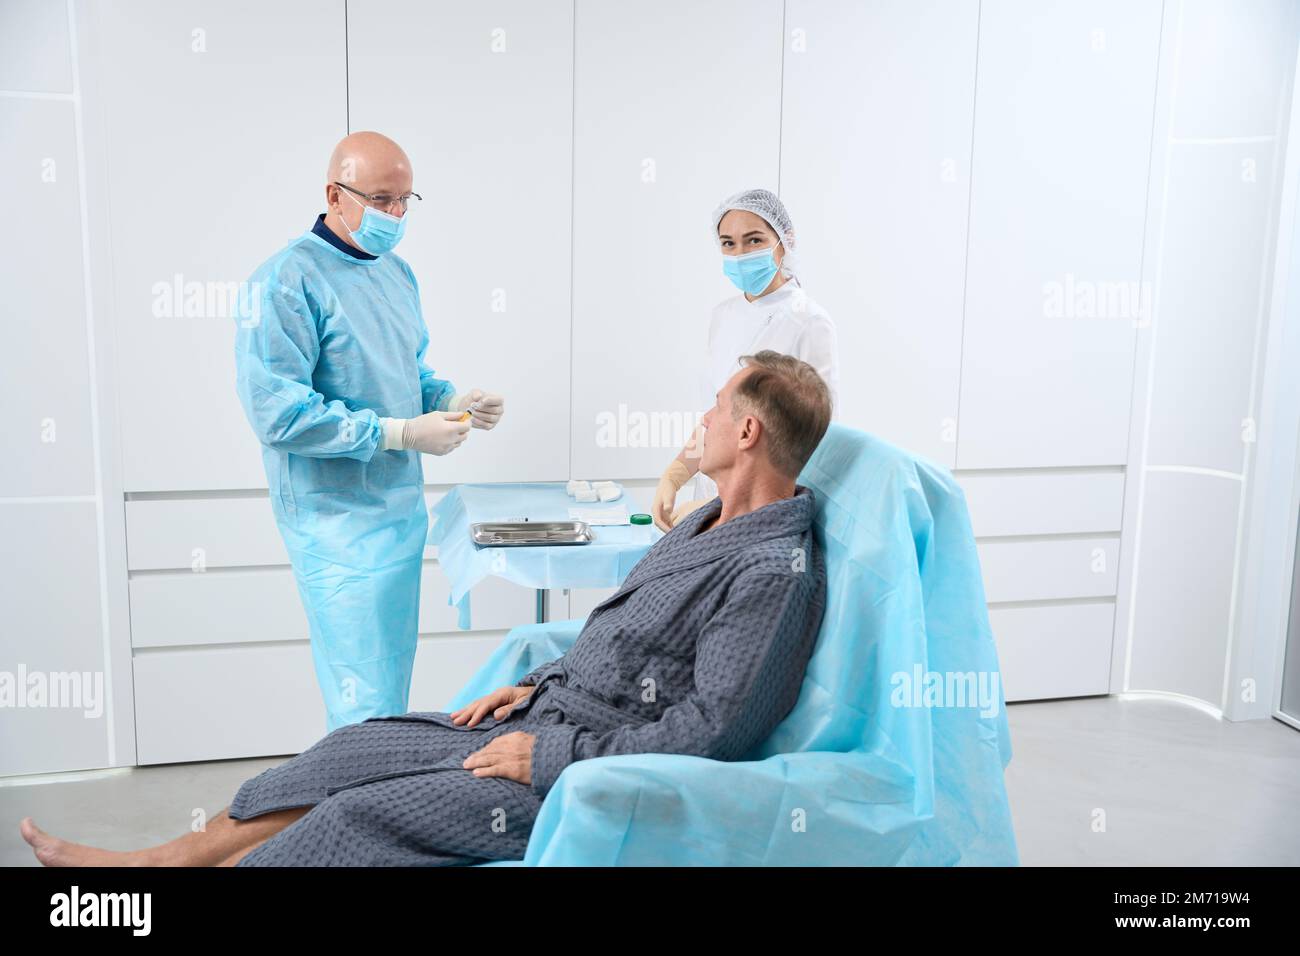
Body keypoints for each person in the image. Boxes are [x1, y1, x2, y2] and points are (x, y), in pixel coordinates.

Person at [21, 351, 832, 867]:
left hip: (581, 771)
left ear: (749, 431)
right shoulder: (704, 521)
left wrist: (550, 756)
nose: (700, 421)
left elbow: (716, 733)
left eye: (714, 408)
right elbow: (622, 642)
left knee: (357, 818)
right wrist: (534, 687)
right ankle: (164, 865)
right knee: (345, 754)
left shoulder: (772, 570)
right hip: (543, 716)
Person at [232, 131, 506, 732]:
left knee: (386, 686)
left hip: (396, 512)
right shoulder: (283, 280)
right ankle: (350, 812)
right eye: (382, 200)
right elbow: (277, 412)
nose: (396, 215)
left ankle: (368, 804)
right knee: (362, 699)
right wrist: (401, 434)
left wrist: (452, 400)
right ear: (335, 192)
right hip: (335, 522)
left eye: (406, 201)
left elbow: (408, 373)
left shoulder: (395, 273)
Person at [652, 188, 839, 532]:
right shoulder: (724, 316)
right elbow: (719, 414)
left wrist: (730, 504)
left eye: (753, 241)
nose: (739, 254)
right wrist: (675, 475)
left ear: (785, 241)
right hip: (712, 497)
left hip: (762, 508)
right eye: (728, 243)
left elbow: (813, 439)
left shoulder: (808, 321)